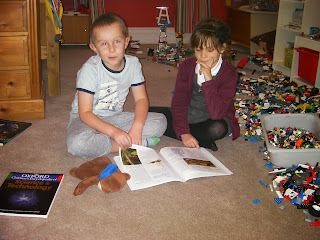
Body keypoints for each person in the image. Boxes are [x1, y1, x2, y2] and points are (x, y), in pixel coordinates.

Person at [67, 13, 167, 157]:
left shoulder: (133, 64)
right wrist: (115, 132)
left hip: (114, 118)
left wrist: (137, 128)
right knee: (77, 144)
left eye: (117, 42)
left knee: (160, 121)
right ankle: (125, 144)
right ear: (94, 48)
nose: (112, 49)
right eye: (104, 44)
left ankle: (103, 143)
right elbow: (85, 113)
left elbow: (141, 100)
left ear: (127, 42)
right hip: (86, 119)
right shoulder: (89, 69)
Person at [150, 17, 240, 151]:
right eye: (198, 49)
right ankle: (194, 138)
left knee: (217, 129)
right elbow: (179, 101)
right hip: (189, 113)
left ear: (222, 48)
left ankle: (188, 134)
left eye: (210, 50)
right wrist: (184, 132)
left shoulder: (229, 74)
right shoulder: (187, 66)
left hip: (211, 118)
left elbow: (217, 113)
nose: (203, 56)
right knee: (147, 112)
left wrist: (209, 81)